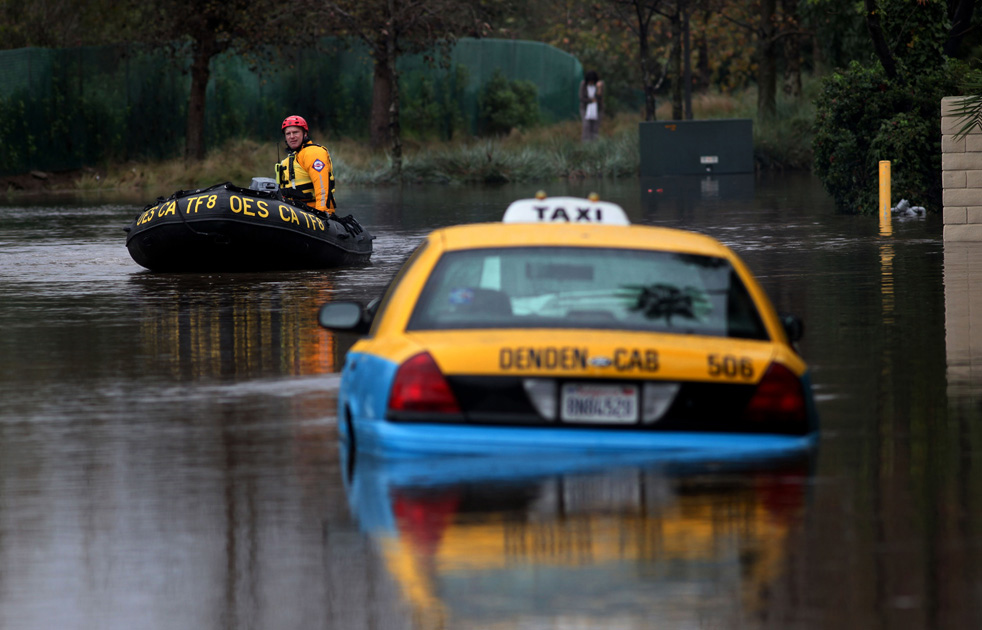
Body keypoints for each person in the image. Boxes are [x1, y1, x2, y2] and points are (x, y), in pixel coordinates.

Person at [276, 115, 336, 215]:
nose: (292, 136)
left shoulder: (313, 153)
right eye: (288, 134)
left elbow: (321, 186)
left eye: (295, 132)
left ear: (305, 133)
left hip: (312, 212)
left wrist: (321, 213)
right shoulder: (291, 158)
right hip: (295, 211)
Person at [579, 70, 604, 142]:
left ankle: (594, 145)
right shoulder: (583, 85)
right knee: (586, 126)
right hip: (585, 109)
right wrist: (591, 100)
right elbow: (581, 98)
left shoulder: (600, 85)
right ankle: (586, 144)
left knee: (595, 127)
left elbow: (600, 98)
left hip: (597, 109)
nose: (591, 83)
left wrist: (599, 88)